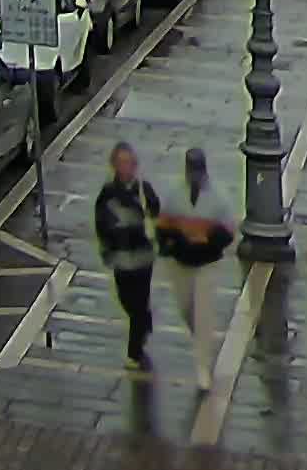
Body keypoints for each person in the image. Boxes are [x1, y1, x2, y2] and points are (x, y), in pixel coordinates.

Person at [157, 147, 236, 361]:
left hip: (207, 263)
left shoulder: (219, 197)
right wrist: (173, 244)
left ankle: (204, 365)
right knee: (186, 309)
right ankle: (202, 339)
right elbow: (163, 227)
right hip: (180, 263)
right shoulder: (174, 194)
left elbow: (228, 232)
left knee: (203, 311)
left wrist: (208, 241)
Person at [93, 143, 162, 370]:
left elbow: (157, 213)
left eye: (129, 163)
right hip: (121, 259)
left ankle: (135, 352)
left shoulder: (144, 189)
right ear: (114, 166)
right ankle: (144, 321)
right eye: (121, 163)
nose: (126, 167)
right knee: (127, 301)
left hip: (142, 258)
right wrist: (107, 245)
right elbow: (101, 221)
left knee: (139, 303)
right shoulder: (108, 193)